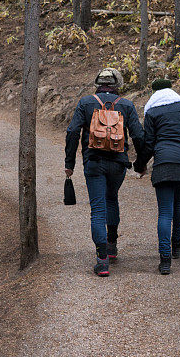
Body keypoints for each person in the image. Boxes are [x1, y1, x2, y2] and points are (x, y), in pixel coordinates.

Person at [65, 68, 145, 276]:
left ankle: (101, 261)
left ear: (97, 83)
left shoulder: (85, 103)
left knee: (98, 208)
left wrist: (70, 163)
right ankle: (111, 246)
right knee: (112, 200)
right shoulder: (126, 105)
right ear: (117, 84)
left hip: (93, 162)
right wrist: (141, 163)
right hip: (118, 163)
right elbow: (138, 135)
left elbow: (73, 132)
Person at [134, 78, 180, 275]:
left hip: (164, 162)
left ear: (154, 93)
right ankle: (177, 246)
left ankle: (165, 260)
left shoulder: (152, 111)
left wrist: (140, 165)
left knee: (165, 212)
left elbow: (148, 143)